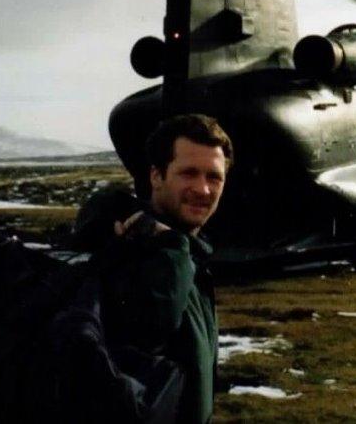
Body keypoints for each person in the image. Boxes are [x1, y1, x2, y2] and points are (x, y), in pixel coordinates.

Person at [63, 113, 232, 424]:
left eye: (214, 177)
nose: (204, 189)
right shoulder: (132, 248)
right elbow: (154, 322)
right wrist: (171, 247)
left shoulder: (187, 254)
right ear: (156, 176)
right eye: (188, 173)